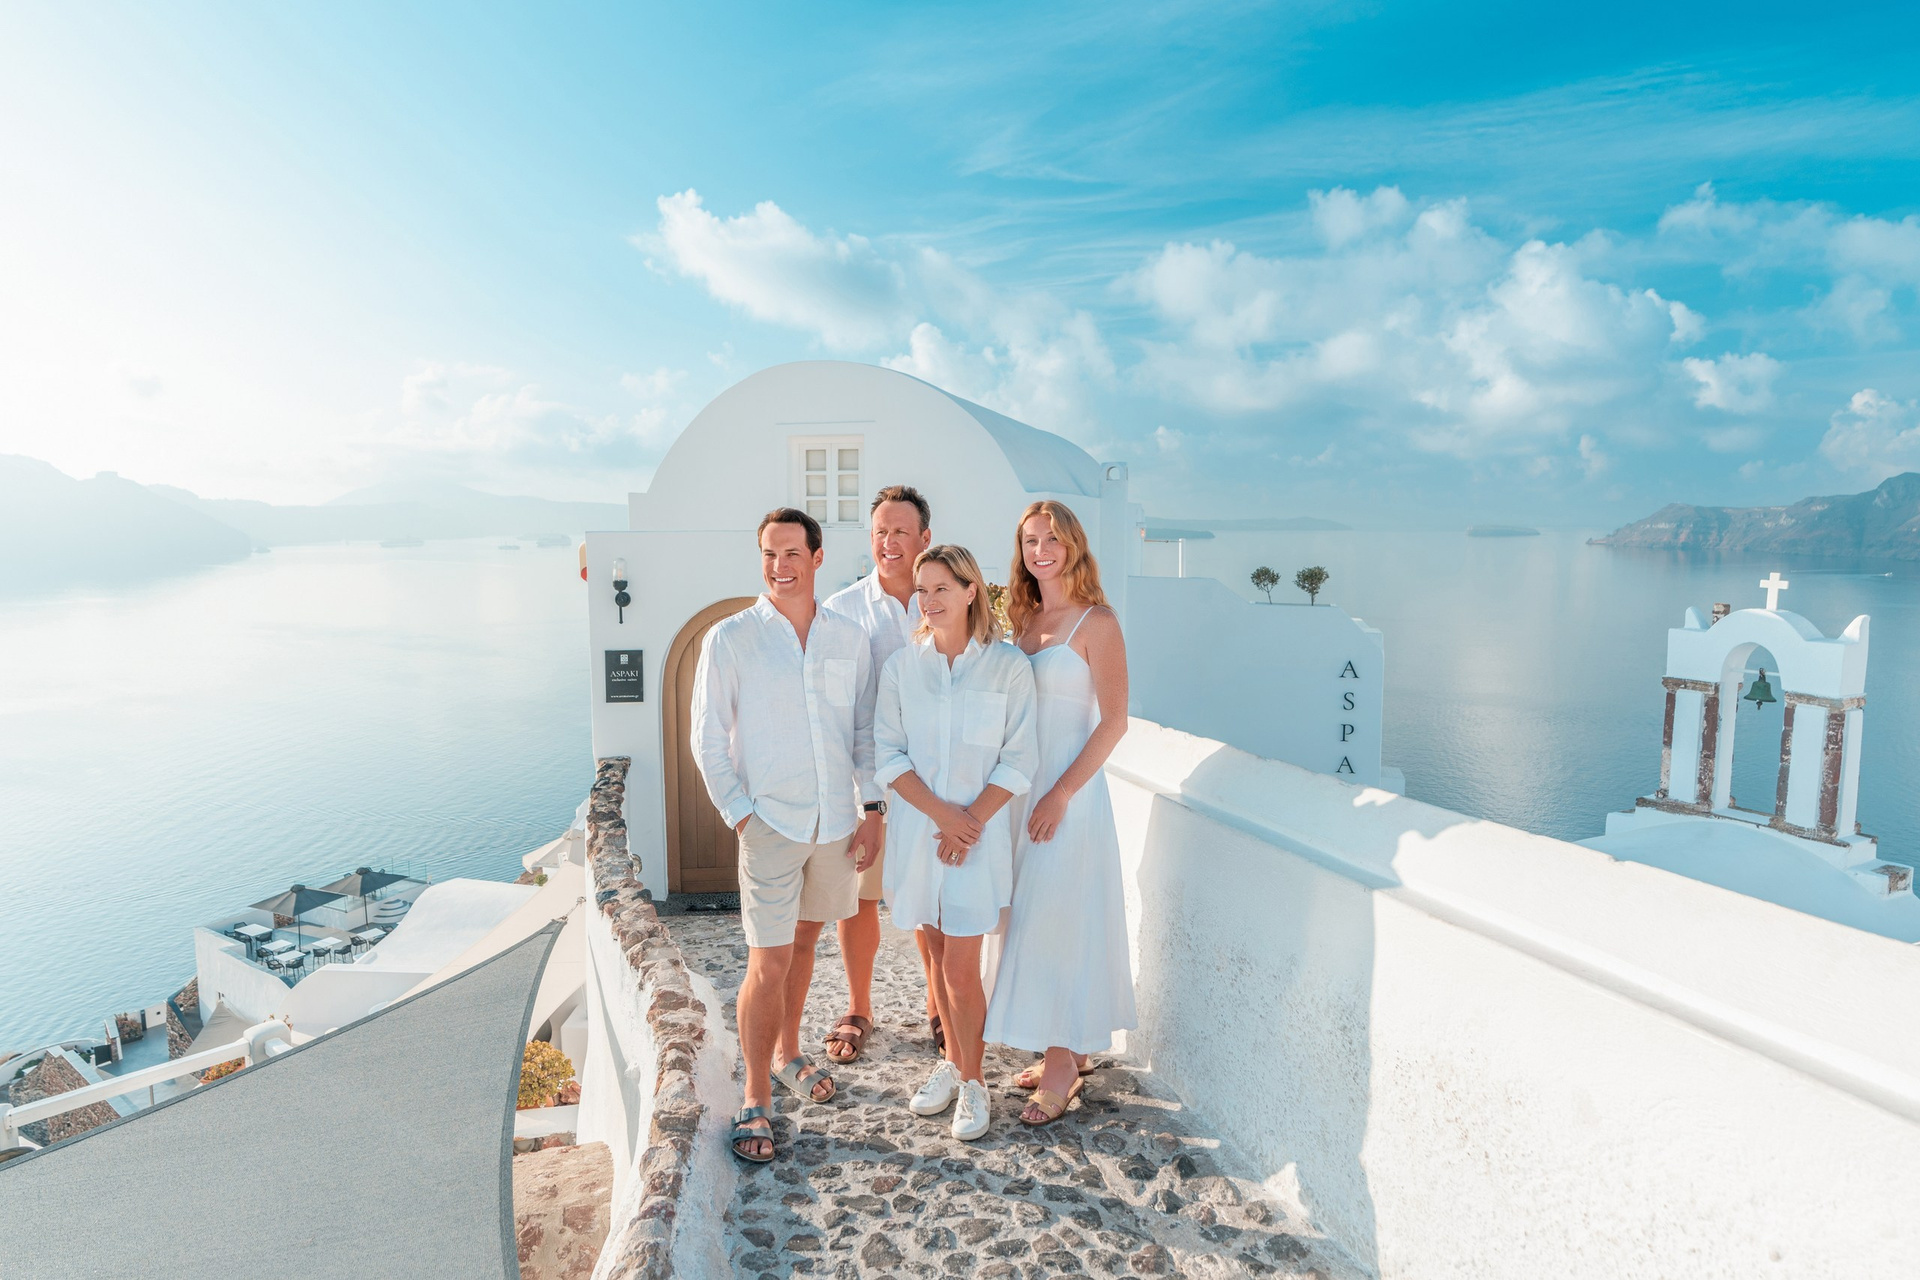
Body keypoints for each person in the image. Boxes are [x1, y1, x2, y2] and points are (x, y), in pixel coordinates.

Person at [690, 507, 885, 1163]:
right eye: (770, 554)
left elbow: (863, 731)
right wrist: (742, 814)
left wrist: (873, 807)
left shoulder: (849, 638)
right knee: (767, 961)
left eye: (792, 553)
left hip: (835, 823)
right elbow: (706, 738)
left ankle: (788, 1052)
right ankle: (755, 1095)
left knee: (805, 944)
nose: (780, 566)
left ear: (818, 557)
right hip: (770, 824)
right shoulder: (731, 638)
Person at [873, 544, 1037, 1140]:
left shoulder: (1007, 666)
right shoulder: (902, 667)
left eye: (942, 587)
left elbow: (1019, 759)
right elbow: (888, 754)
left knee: (963, 969)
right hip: (922, 835)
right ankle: (951, 1064)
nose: (929, 599)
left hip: (977, 840)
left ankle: (974, 1081)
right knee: (937, 958)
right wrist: (944, 816)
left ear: (972, 591)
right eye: (922, 589)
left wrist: (969, 824)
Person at [983, 499, 1137, 1126]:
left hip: (1067, 798)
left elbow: (1115, 722)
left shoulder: (1098, 622)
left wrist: (1062, 792)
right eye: (1030, 541)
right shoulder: (1022, 618)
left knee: (1055, 921)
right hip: (1019, 793)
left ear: (1073, 546)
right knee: (1027, 916)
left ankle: (1059, 1064)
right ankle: (1069, 1048)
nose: (1040, 551)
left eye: (1051, 539)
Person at [820, 485, 940, 1066]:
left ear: (925, 538)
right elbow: (838, 709)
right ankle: (859, 1006)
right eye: (880, 532)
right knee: (860, 899)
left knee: (930, 899)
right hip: (863, 783)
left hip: (933, 783)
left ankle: (940, 1007)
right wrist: (865, 797)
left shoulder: (945, 602)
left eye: (901, 532)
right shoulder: (841, 610)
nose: (889, 543)